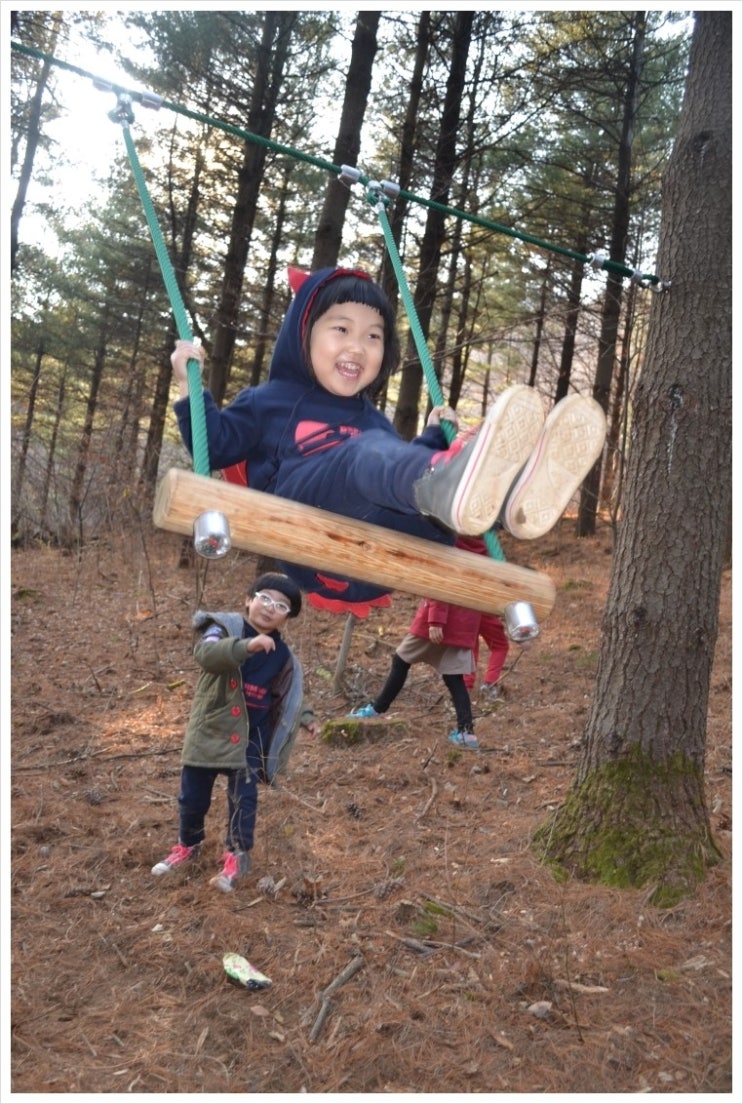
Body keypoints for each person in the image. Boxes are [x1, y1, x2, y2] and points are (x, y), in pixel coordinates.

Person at [171, 265, 606, 607]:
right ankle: (454, 477)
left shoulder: (372, 421)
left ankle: (507, 499)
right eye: (341, 329)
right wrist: (190, 388)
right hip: (313, 535)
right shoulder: (270, 401)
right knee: (366, 456)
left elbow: (393, 470)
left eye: (373, 336)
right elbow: (217, 444)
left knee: (418, 499)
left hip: (387, 551)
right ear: (302, 333)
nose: (358, 346)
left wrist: (433, 437)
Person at [151, 572, 318, 892]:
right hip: (210, 728)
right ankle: (188, 844)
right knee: (192, 797)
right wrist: (246, 646)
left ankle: (236, 855)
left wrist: (306, 717)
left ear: (287, 617)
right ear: (248, 600)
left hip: (250, 738)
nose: (270, 608)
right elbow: (206, 655)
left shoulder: (282, 655)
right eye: (265, 599)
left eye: (281, 606)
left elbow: (289, 693)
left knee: (244, 800)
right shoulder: (223, 627)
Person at [347, 591, 482, 751]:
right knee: (454, 678)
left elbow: (441, 585)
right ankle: (466, 732)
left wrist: (435, 621)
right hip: (463, 622)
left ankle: (377, 709)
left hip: (446, 618)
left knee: (401, 660)